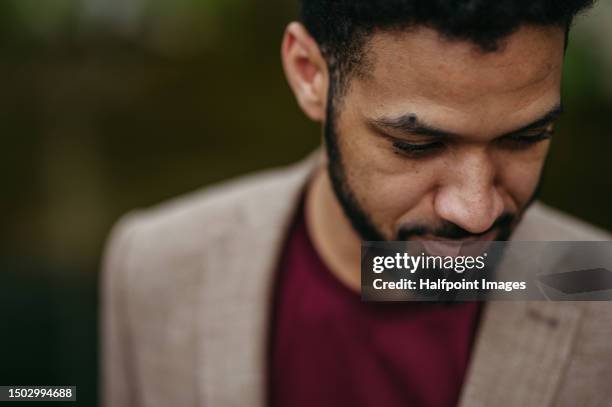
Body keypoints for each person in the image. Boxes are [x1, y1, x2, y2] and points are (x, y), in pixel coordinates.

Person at [101, 1, 612, 406]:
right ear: (309, 74)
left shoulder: (602, 292)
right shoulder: (154, 265)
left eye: (525, 138)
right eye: (417, 145)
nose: (476, 212)